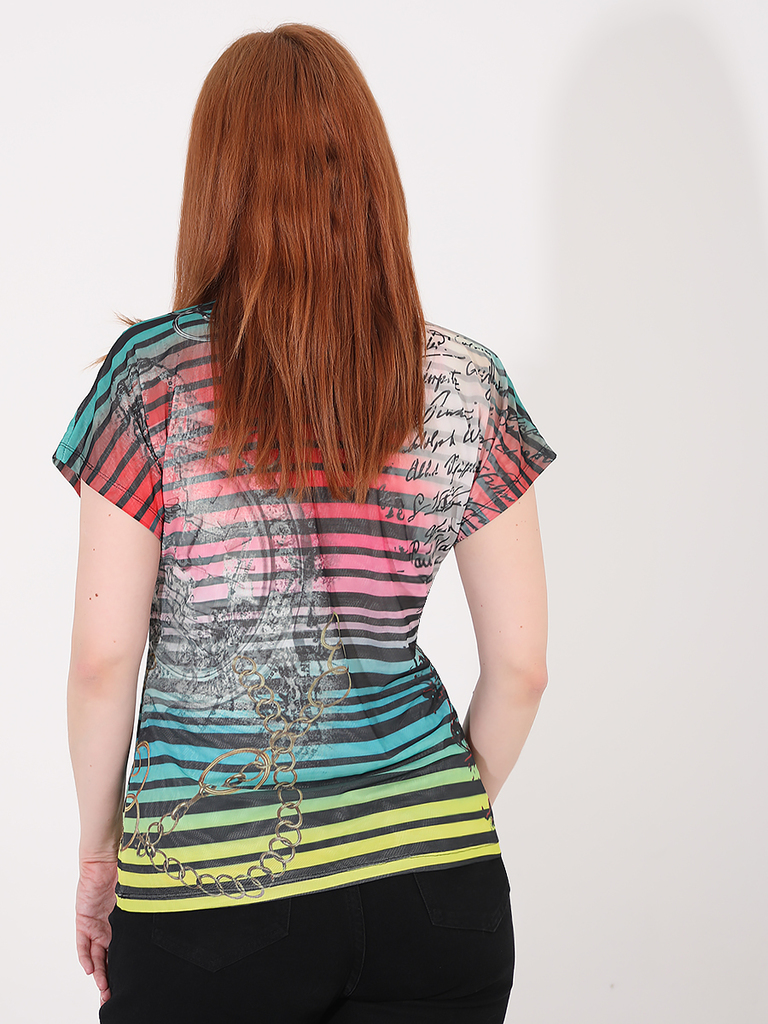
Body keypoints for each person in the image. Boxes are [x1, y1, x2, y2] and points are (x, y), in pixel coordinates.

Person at [52, 23, 556, 1024]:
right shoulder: (465, 382)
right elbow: (524, 668)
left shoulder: (154, 378)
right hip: (440, 900)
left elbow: (104, 661)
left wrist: (98, 852)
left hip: (214, 906)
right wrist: (428, 822)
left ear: (218, 182)